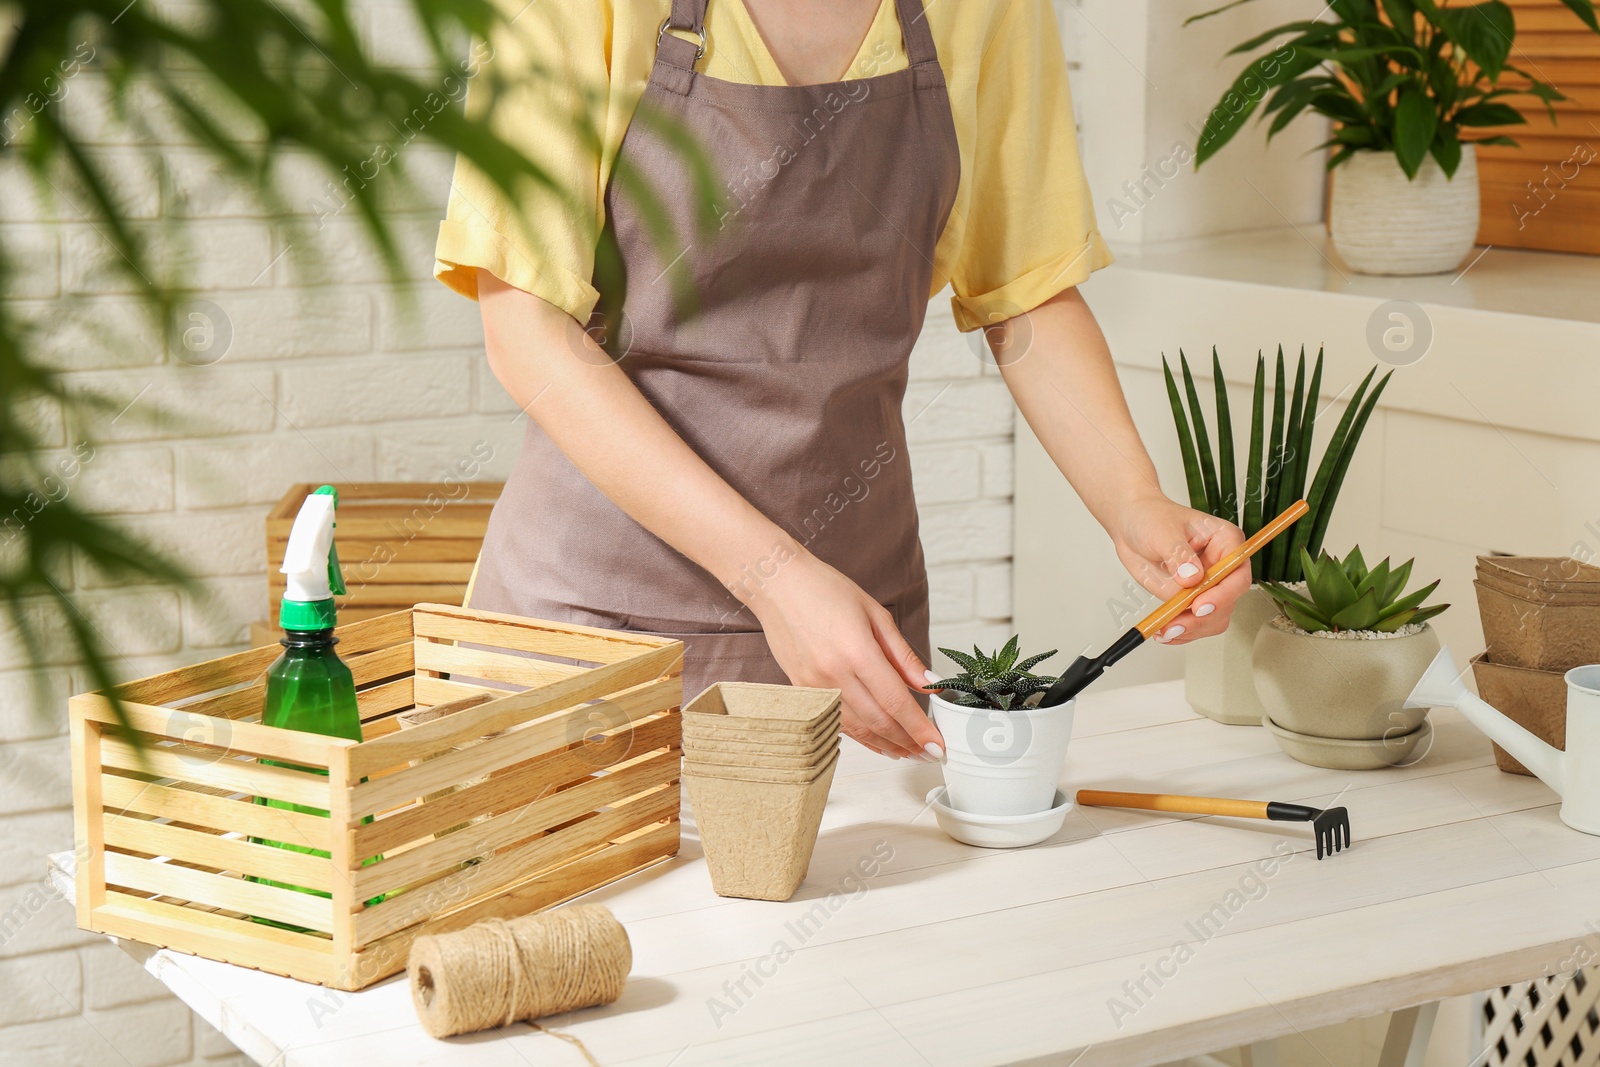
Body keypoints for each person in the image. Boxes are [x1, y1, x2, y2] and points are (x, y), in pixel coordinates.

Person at [434, 0, 1249, 763]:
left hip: (856, 645)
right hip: (595, 636)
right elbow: (528, 332)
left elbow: (1026, 294)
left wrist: (1135, 501)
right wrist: (777, 580)